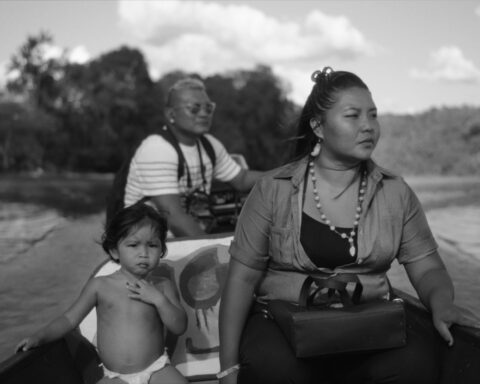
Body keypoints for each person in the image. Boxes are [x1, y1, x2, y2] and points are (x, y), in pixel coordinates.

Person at [218, 67, 480, 384]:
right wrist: (228, 368)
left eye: (373, 115)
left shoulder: (395, 192)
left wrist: (441, 305)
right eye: (353, 116)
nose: (368, 126)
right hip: (284, 319)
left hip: (368, 322)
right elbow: (242, 279)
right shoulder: (273, 189)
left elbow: (427, 269)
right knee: (278, 370)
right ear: (318, 125)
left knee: (416, 364)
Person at [16, 202, 188, 384]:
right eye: (134, 245)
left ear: (162, 250)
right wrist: (40, 337)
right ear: (114, 251)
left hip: (157, 370)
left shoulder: (162, 286)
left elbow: (179, 326)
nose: (143, 253)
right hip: (116, 377)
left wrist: (159, 300)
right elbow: (69, 319)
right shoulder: (100, 286)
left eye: (152, 245)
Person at [123, 77, 263, 237]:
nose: (204, 114)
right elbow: (173, 217)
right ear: (171, 114)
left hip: (185, 242)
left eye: (208, 108)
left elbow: (242, 179)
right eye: (194, 108)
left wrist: (290, 173)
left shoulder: (210, 145)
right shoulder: (157, 149)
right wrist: (212, 249)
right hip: (145, 246)